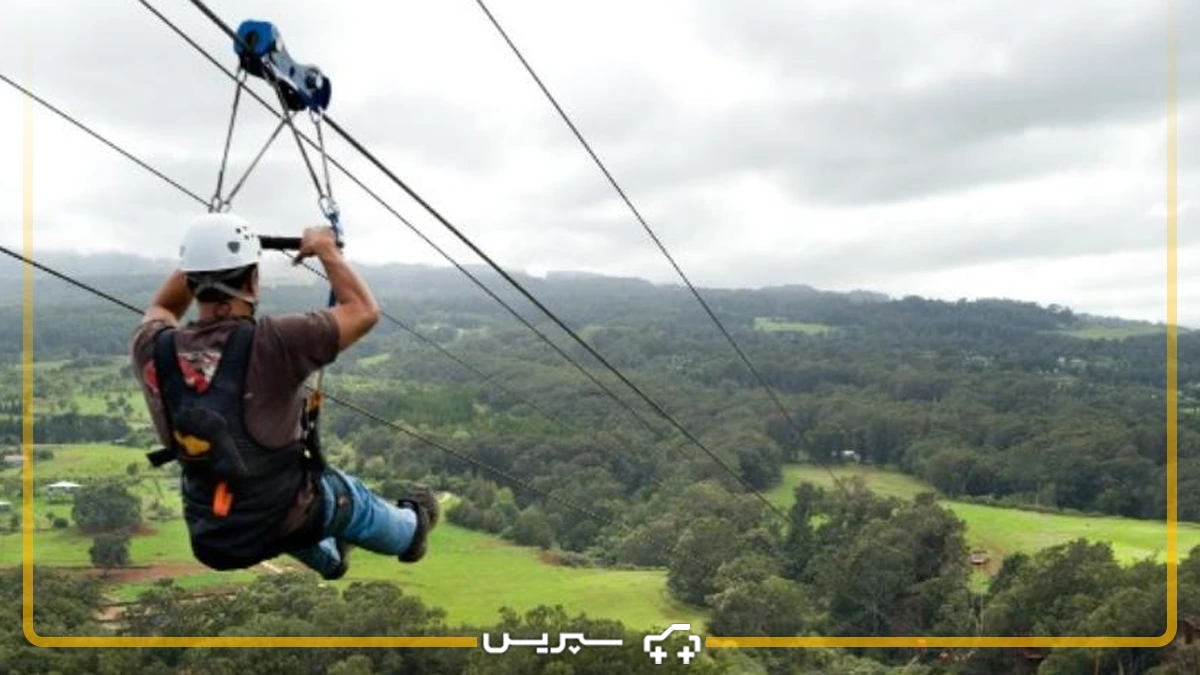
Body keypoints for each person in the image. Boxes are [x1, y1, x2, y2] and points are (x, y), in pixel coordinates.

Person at [129, 212, 438, 580]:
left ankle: (332, 560)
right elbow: (363, 311)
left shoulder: (152, 347)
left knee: (271, 500)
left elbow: (163, 308)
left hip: (214, 533)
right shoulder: (274, 342)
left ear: (191, 279)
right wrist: (325, 248)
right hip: (284, 514)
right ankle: (412, 530)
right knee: (347, 498)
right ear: (254, 280)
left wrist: (200, 256)